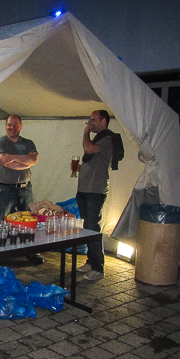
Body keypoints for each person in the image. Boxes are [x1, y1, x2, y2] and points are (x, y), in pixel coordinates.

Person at [0, 114, 43, 264]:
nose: (12, 127)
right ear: (5, 126)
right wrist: (25, 161)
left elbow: (34, 160)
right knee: (2, 221)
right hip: (6, 189)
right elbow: (5, 162)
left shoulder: (28, 143)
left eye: (15, 125)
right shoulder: (0, 142)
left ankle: (31, 252)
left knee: (29, 221)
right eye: (9, 124)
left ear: (20, 126)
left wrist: (13, 157)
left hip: (25, 188)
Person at [76, 110, 114, 282]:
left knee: (92, 228)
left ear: (103, 121)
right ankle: (91, 262)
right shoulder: (98, 139)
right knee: (87, 227)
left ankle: (98, 267)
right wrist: (81, 168)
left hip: (95, 191)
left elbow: (88, 148)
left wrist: (85, 132)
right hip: (85, 189)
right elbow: (93, 159)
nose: (90, 123)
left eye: (93, 120)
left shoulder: (108, 137)